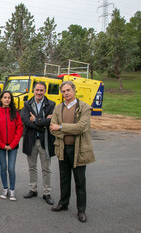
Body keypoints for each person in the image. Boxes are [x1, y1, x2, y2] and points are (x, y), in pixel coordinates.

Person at [50, 81, 95, 223]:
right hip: (63, 148)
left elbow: (81, 128)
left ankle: (81, 210)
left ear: (74, 90)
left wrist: (61, 127)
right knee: (64, 178)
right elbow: (52, 128)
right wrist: (63, 130)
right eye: (63, 91)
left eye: (68, 90)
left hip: (79, 150)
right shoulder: (58, 108)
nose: (66, 93)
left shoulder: (85, 108)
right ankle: (63, 203)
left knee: (80, 181)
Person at [21, 82, 56, 205]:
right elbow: (26, 121)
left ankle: (47, 193)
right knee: (32, 167)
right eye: (37, 90)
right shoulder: (27, 104)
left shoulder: (51, 104)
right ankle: (33, 189)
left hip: (45, 141)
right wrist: (43, 125)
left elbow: (51, 121)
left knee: (46, 168)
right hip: (31, 141)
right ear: (33, 90)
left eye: (41, 90)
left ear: (45, 91)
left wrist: (36, 120)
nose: (39, 92)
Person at [0, 91, 23, 201]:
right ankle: (5, 188)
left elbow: (20, 129)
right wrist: (1, 144)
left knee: (11, 169)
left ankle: (12, 190)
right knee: (3, 167)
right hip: (1, 145)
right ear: (1, 99)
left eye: (9, 98)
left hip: (13, 146)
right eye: (5, 97)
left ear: (11, 100)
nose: (7, 99)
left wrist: (13, 144)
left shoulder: (16, 113)